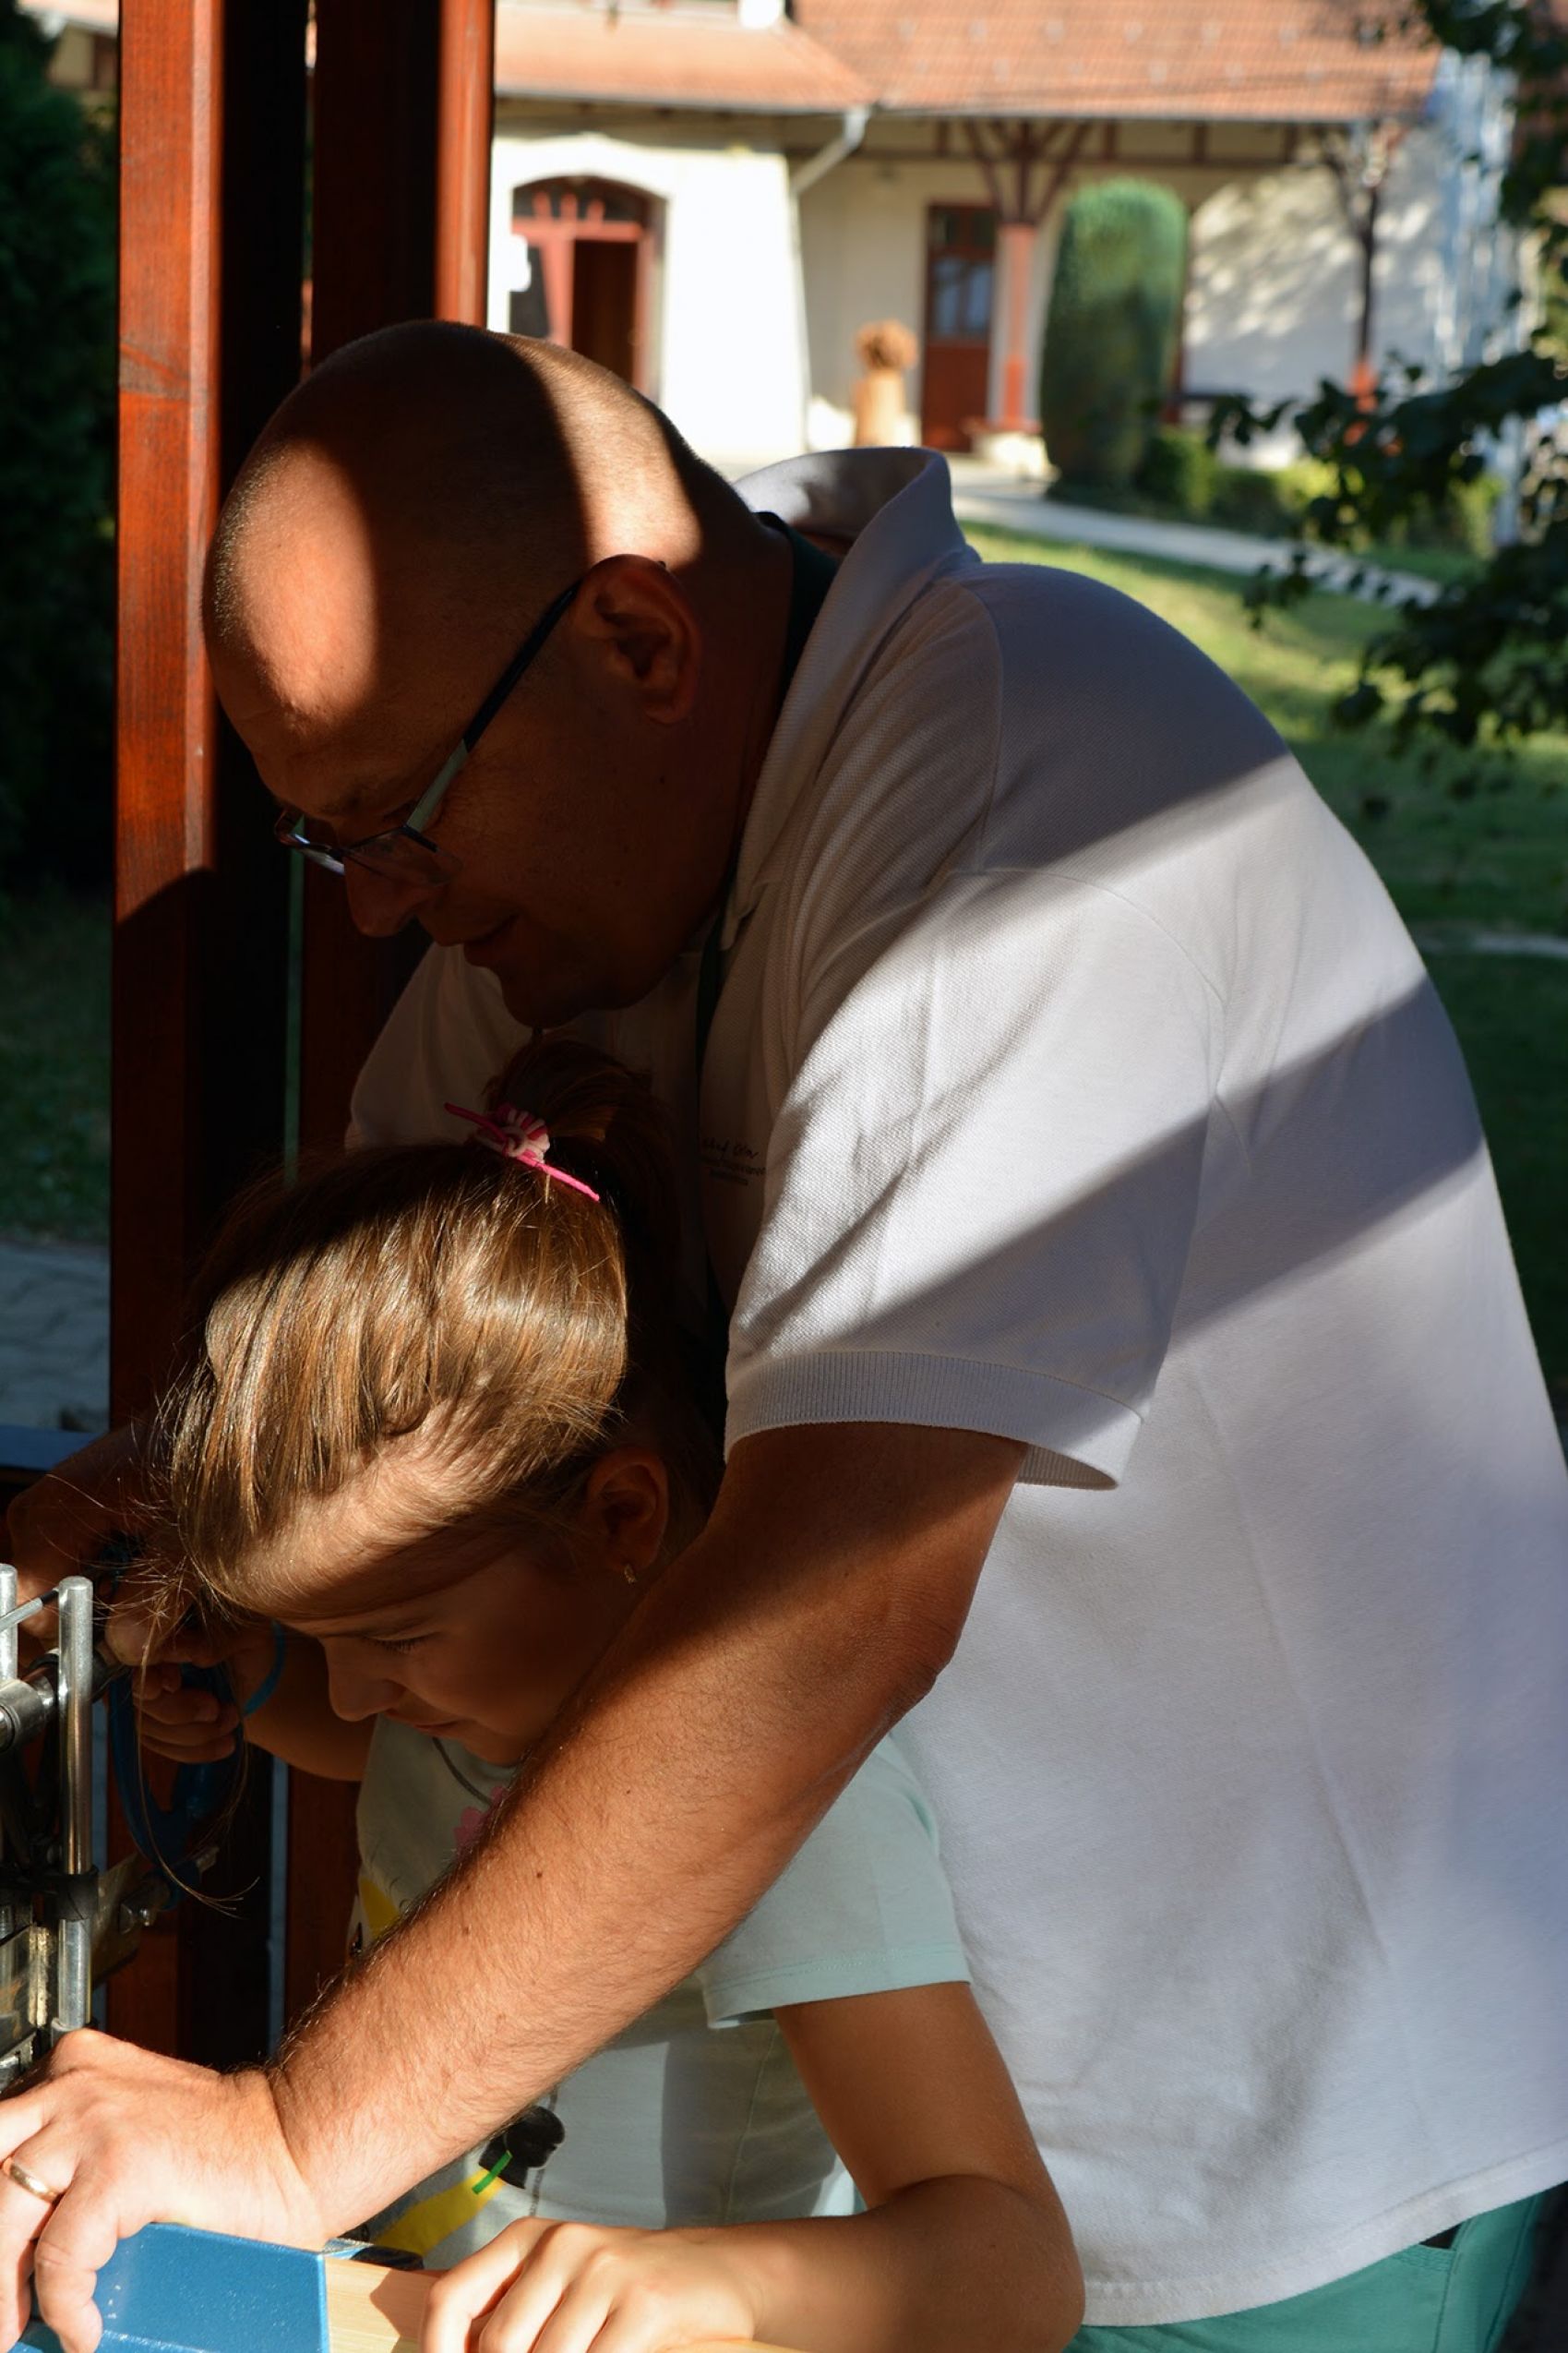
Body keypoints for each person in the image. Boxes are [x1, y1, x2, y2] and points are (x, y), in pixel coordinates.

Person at [4, 321, 1567, 2353]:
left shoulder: (1023, 794)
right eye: (335, 843)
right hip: (905, 2150)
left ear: (638, 644)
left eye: (404, 821)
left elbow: (830, 1605)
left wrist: (295, 2138)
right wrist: (157, 1509)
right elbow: (398, 1373)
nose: (380, 909)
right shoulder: (588, 877)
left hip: (1271, 2143)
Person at [126, 1034, 1080, 2353]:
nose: (350, 1693)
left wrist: (712, 2284)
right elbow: (390, 1771)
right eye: (314, 1638)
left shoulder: (790, 1817)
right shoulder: (461, 1701)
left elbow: (1014, 2267)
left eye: (394, 1633)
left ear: (621, 1514)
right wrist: (254, 1685)